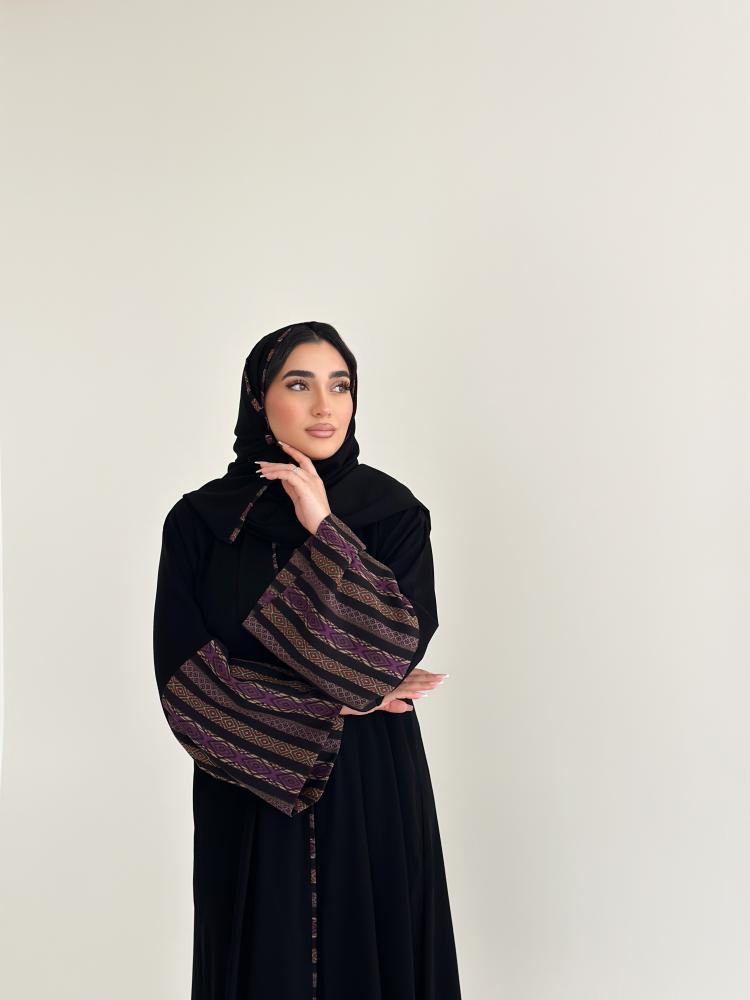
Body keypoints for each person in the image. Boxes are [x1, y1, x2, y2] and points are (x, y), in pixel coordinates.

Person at [153, 321, 462, 999]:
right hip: (251, 785)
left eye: (340, 385)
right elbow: (186, 689)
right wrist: (337, 701)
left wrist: (325, 527)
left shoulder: (392, 515)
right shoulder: (201, 523)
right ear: (258, 397)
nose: (325, 406)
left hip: (372, 784)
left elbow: (392, 651)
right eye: (299, 384)